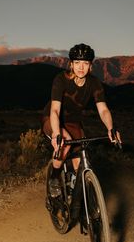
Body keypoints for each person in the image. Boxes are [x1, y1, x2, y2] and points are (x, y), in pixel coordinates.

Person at [42, 43, 121, 198]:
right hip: (52, 119)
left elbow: (103, 110)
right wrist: (57, 133)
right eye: (77, 62)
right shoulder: (61, 80)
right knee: (65, 141)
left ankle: (80, 198)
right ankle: (54, 177)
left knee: (81, 161)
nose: (81, 67)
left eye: (85, 63)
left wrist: (111, 128)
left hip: (74, 122)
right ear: (71, 64)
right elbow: (55, 110)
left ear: (90, 65)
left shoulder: (94, 83)